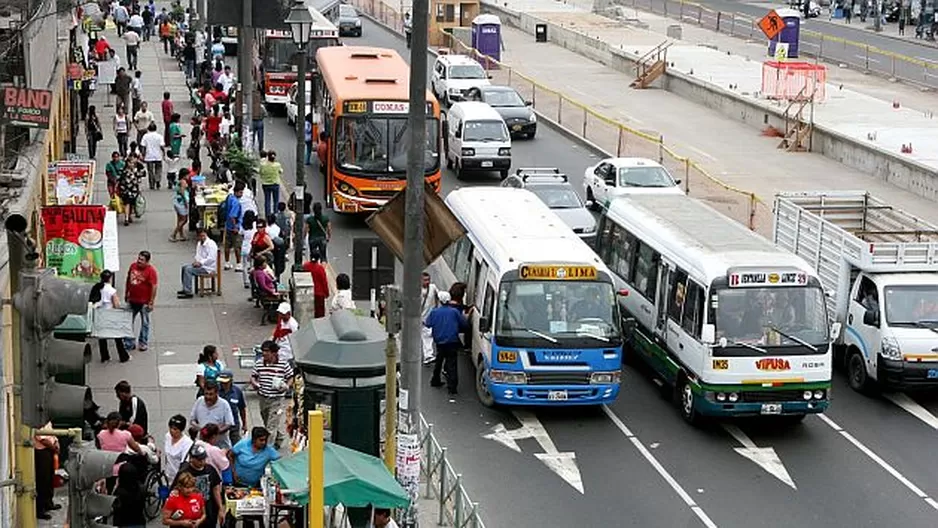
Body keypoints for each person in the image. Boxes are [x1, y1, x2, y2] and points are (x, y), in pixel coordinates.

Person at [425, 291, 471, 395]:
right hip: (452, 341)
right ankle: (452, 387)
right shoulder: (454, 312)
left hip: (439, 342)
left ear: (440, 301)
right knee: (452, 364)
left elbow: (427, 324)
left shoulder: (434, 312)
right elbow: (464, 324)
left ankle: (435, 380)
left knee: (439, 362)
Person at [250, 341, 293, 449]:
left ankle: (267, 450)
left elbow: (291, 377)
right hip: (263, 397)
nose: (264, 354)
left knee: (270, 426)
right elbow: (253, 377)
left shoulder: (283, 364)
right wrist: (255, 384)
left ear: (274, 353)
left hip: (277, 399)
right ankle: (280, 438)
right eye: (263, 351)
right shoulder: (259, 363)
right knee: (267, 422)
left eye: (267, 351)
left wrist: (286, 386)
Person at [170, 445, 223, 528]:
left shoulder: (210, 469)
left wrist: (220, 508)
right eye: (199, 459)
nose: (202, 461)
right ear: (191, 458)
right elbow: (175, 492)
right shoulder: (184, 472)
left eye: (204, 458)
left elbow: (215, 489)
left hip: (208, 512)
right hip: (189, 514)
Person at [91, 270, 131, 363]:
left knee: (102, 337)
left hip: (100, 314)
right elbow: (116, 305)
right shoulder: (112, 290)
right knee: (117, 336)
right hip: (110, 314)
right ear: (110, 278)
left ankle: (105, 357)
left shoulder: (98, 287)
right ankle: (123, 356)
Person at [123, 250, 157, 352]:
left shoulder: (151, 271)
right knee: (128, 321)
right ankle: (129, 342)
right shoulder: (132, 266)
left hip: (144, 302)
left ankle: (143, 342)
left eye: (142, 260)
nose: (139, 261)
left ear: (147, 261)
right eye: (139, 258)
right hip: (132, 299)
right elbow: (128, 279)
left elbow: (154, 287)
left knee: (145, 323)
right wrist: (126, 293)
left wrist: (151, 302)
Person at [189, 381, 235, 449]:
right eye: (206, 394)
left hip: (221, 447)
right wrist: (201, 429)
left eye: (211, 394)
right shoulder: (199, 401)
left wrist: (214, 433)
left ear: (217, 393)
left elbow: (229, 424)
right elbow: (192, 420)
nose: (208, 397)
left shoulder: (224, 404)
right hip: (203, 446)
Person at [178, 228, 218, 299]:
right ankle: (185, 288)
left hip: (208, 267)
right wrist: (196, 262)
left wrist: (200, 263)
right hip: (200, 266)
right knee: (184, 267)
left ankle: (188, 292)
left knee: (188, 270)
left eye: (203, 236)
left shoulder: (211, 244)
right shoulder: (199, 243)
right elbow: (198, 255)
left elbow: (211, 258)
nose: (202, 237)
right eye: (200, 236)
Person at [34, 427, 59, 520]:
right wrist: (54, 448)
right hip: (41, 451)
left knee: (50, 478)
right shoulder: (35, 420)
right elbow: (43, 439)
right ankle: (40, 510)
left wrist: (56, 443)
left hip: (50, 450)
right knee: (42, 480)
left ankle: (48, 503)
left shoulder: (46, 419)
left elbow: (52, 434)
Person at [216, 371, 247, 445]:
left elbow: (242, 408)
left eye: (225, 382)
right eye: (221, 382)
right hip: (220, 424)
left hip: (234, 424)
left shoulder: (237, 391)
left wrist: (244, 423)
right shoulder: (216, 391)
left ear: (231, 381)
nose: (223, 384)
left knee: (237, 445)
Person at [112, 463, 146, 528]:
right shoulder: (141, 488)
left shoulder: (120, 493)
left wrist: (115, 488)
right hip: (139, 522)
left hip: (123, 523)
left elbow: (113, 507)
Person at [163, 415, 194, 483]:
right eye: (170, 428)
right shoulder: (167, 436)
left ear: (181, 430)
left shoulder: (187, 443)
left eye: (175, 429)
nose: (171, 431)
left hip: (178, 478)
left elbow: (184, 465)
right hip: (168, 475)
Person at [221, 183, 244, 271]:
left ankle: (227, 263)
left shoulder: (229, 197)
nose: (241, 195)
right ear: (237, 192)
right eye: (241, 193)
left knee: (227, 246)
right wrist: (235, 227)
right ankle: (238, 264)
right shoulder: (236, 203)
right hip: (234, 227)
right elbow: (233, 216)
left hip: (228, 226)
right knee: (237, 246)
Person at [302, 249, 329, 318]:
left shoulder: (305, 266)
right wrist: (326, 293)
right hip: (319, 294)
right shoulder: (320, 268)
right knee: (319, 314)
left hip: (308, 293)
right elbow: (324, 282)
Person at [420, 271, 440, 365]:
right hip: (421, 318)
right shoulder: (416, 291)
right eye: (425, 280)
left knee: (428, 335)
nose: (427, 282)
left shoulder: (433, 287)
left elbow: (439, 296)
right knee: (426, 336)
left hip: (431, 316)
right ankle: (428, 355)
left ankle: (428, 355)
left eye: (428, 280)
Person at [118, 153, 142, 226]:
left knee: (132, 203)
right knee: (127, 203)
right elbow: (119, 179)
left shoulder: (136, 171)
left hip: (134, 190)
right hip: (125, 190)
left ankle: (129, 215)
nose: (131, 164)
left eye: (132, 163)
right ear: (127, 163)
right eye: (130, 163)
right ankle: (126, 218)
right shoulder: (123, 170)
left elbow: (140, 177)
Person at [141, 122, 166, 190]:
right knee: (158, 169)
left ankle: (152, 184)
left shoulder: (145, 136)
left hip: (149, 156)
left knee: (150, 171)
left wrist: (143, 155)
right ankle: (157, 179)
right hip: (158, 156)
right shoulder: (159, 136)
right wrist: (164, 153)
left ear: (148, 128)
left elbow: (143, 147)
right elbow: (162, 146)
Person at [259, 150, 283, 218]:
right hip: (275, 184)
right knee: (276, 201)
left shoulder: (263, 165)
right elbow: (281, 171)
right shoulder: (277, 165)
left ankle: (268, 215)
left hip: (266, 184)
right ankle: (276, 214)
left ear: (267, 157)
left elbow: (260, 172)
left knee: (267, 200)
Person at [239, 211, 257, 289]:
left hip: (245, 247)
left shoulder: (243, 226)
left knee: (245, 265)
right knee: (253, 265)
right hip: (253, 246)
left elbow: (241, 234)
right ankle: (254, 280)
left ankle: (246, 281)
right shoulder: (255, 225)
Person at [171, 177, 190, 242]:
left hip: (177, 202)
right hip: (181, 203)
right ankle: (174, 234)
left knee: (180, 220)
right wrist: (185, 203)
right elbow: (182, 193)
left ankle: (181, 235)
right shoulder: (183, 182)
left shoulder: (178, 181)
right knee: (184, 220)